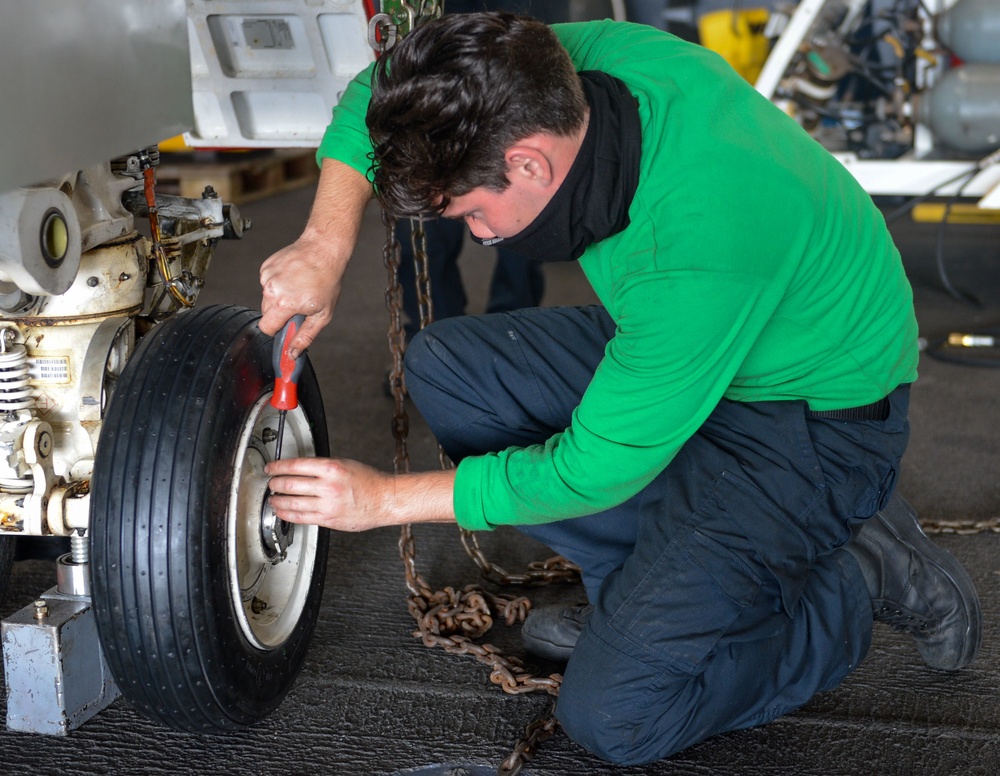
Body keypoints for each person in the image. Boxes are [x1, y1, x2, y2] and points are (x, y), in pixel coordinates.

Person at [259, 13, 982, 766]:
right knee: (450, 367)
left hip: (810, 425)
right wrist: (324, 242)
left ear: (531, 164)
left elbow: (593, 467)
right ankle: (636, 595)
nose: (475, 234)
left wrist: (381, 501)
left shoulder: (702, 235)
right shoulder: (568, 68)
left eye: (472, 210)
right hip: (706, 350)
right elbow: (380, 89)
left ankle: (854, 582)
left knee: (618, 718)